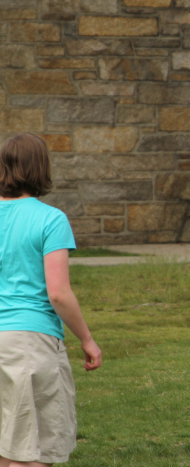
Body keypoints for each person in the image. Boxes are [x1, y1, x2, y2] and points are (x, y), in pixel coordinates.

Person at [0, 133, 102, 466]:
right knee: (34, 451)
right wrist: (87, 339)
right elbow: (58, 293)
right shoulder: (50, 219)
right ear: (41, 168)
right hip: (29, 342)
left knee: (5, 444)